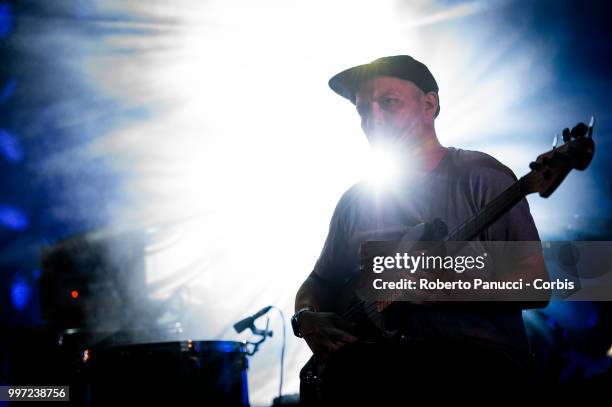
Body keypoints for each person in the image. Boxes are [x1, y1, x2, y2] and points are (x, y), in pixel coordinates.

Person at [292, 55, 550, 404]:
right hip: (378, 366)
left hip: (482, 368)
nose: (373, 119)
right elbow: (319, 281)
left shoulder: (483, 176)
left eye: (389, 102)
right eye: (363, 110)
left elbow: (536, 285)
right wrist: (305, 318)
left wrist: (443, 286)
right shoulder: (356, 201)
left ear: (430, 104)